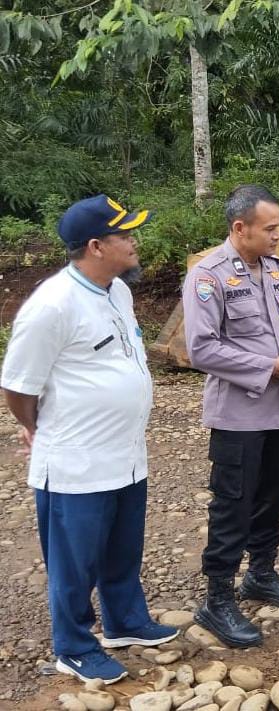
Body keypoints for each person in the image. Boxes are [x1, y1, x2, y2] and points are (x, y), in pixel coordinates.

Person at [1, 195, 178, 684]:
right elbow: (17, 386)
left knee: (123, 547)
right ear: (97, 246)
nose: (135, 240)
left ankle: (125, 622)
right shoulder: (51, 305)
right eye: (126, 235)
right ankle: (74, 645)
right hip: (76, 460)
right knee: (73, 561)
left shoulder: (116, 290)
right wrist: (37, 427)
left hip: (126, 454)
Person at [181, 184, 279, 647]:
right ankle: (218, 598)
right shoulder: (207, 276)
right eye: (270, 228)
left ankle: (261, 574)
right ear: (239, 227)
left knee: (272, 496)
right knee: (233, 505)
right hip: (237, 416)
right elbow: (201, 348)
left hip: (277, 412)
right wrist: (271, 367)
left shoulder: (273, 268)